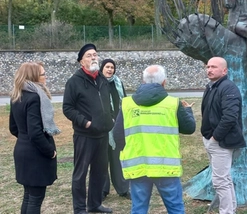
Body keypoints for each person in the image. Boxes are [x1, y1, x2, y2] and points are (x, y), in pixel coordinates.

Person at [113, 65, 196, 214]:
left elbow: (118, 136)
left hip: (138, 167)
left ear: (143, 81)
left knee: (138, 209)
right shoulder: (172, 103)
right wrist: (188, 110)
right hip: (166, 167)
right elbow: (189, 128)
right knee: (175, 208)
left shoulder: (127, 104)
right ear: (164, 82)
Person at [63, 44, 114, 214]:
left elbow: (108, 102)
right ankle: (79, 209)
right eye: (89, 55)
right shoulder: (74, 82)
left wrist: (110, 119)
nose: (93, 58)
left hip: (103, 133)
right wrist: (85, 123)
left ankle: (94, 204)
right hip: (84, 135)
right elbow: (68, 108)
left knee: (99, 172)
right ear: (81, 62)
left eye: (95, 55)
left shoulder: (102, 79)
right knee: (80, 174)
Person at [9, 62, 60, 214]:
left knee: (28, 196)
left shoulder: (17, 95)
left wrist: (25, 140)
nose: (46, 76)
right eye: (43, 74)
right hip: (35, 155)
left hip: (22, 151)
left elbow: (13, 128)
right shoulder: (35, 97)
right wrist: (50, 151)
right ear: (33, 76)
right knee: (35, 199)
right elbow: (35, 133)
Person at [201, 57, 246, 214]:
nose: (209, 69)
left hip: (222, 142)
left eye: (214, 67)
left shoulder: (228, 88)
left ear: (224, 70)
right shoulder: (211, 87)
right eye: (208, 66)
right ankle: (230, 210)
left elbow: (230, 117)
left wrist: (215, 138)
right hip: (211, 139)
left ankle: (226, 211)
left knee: (220, 181)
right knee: (224, 180)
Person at [99, 59, 130, 200]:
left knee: (118, 159)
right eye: (107, 67)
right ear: (102, 68)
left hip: (118, 125)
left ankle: (123, 189)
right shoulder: (97, 83)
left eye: (112, 67)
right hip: (102, 127)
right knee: (103, 159)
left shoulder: (118, 83)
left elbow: (125, 102)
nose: (110, 70)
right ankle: (103, 190)